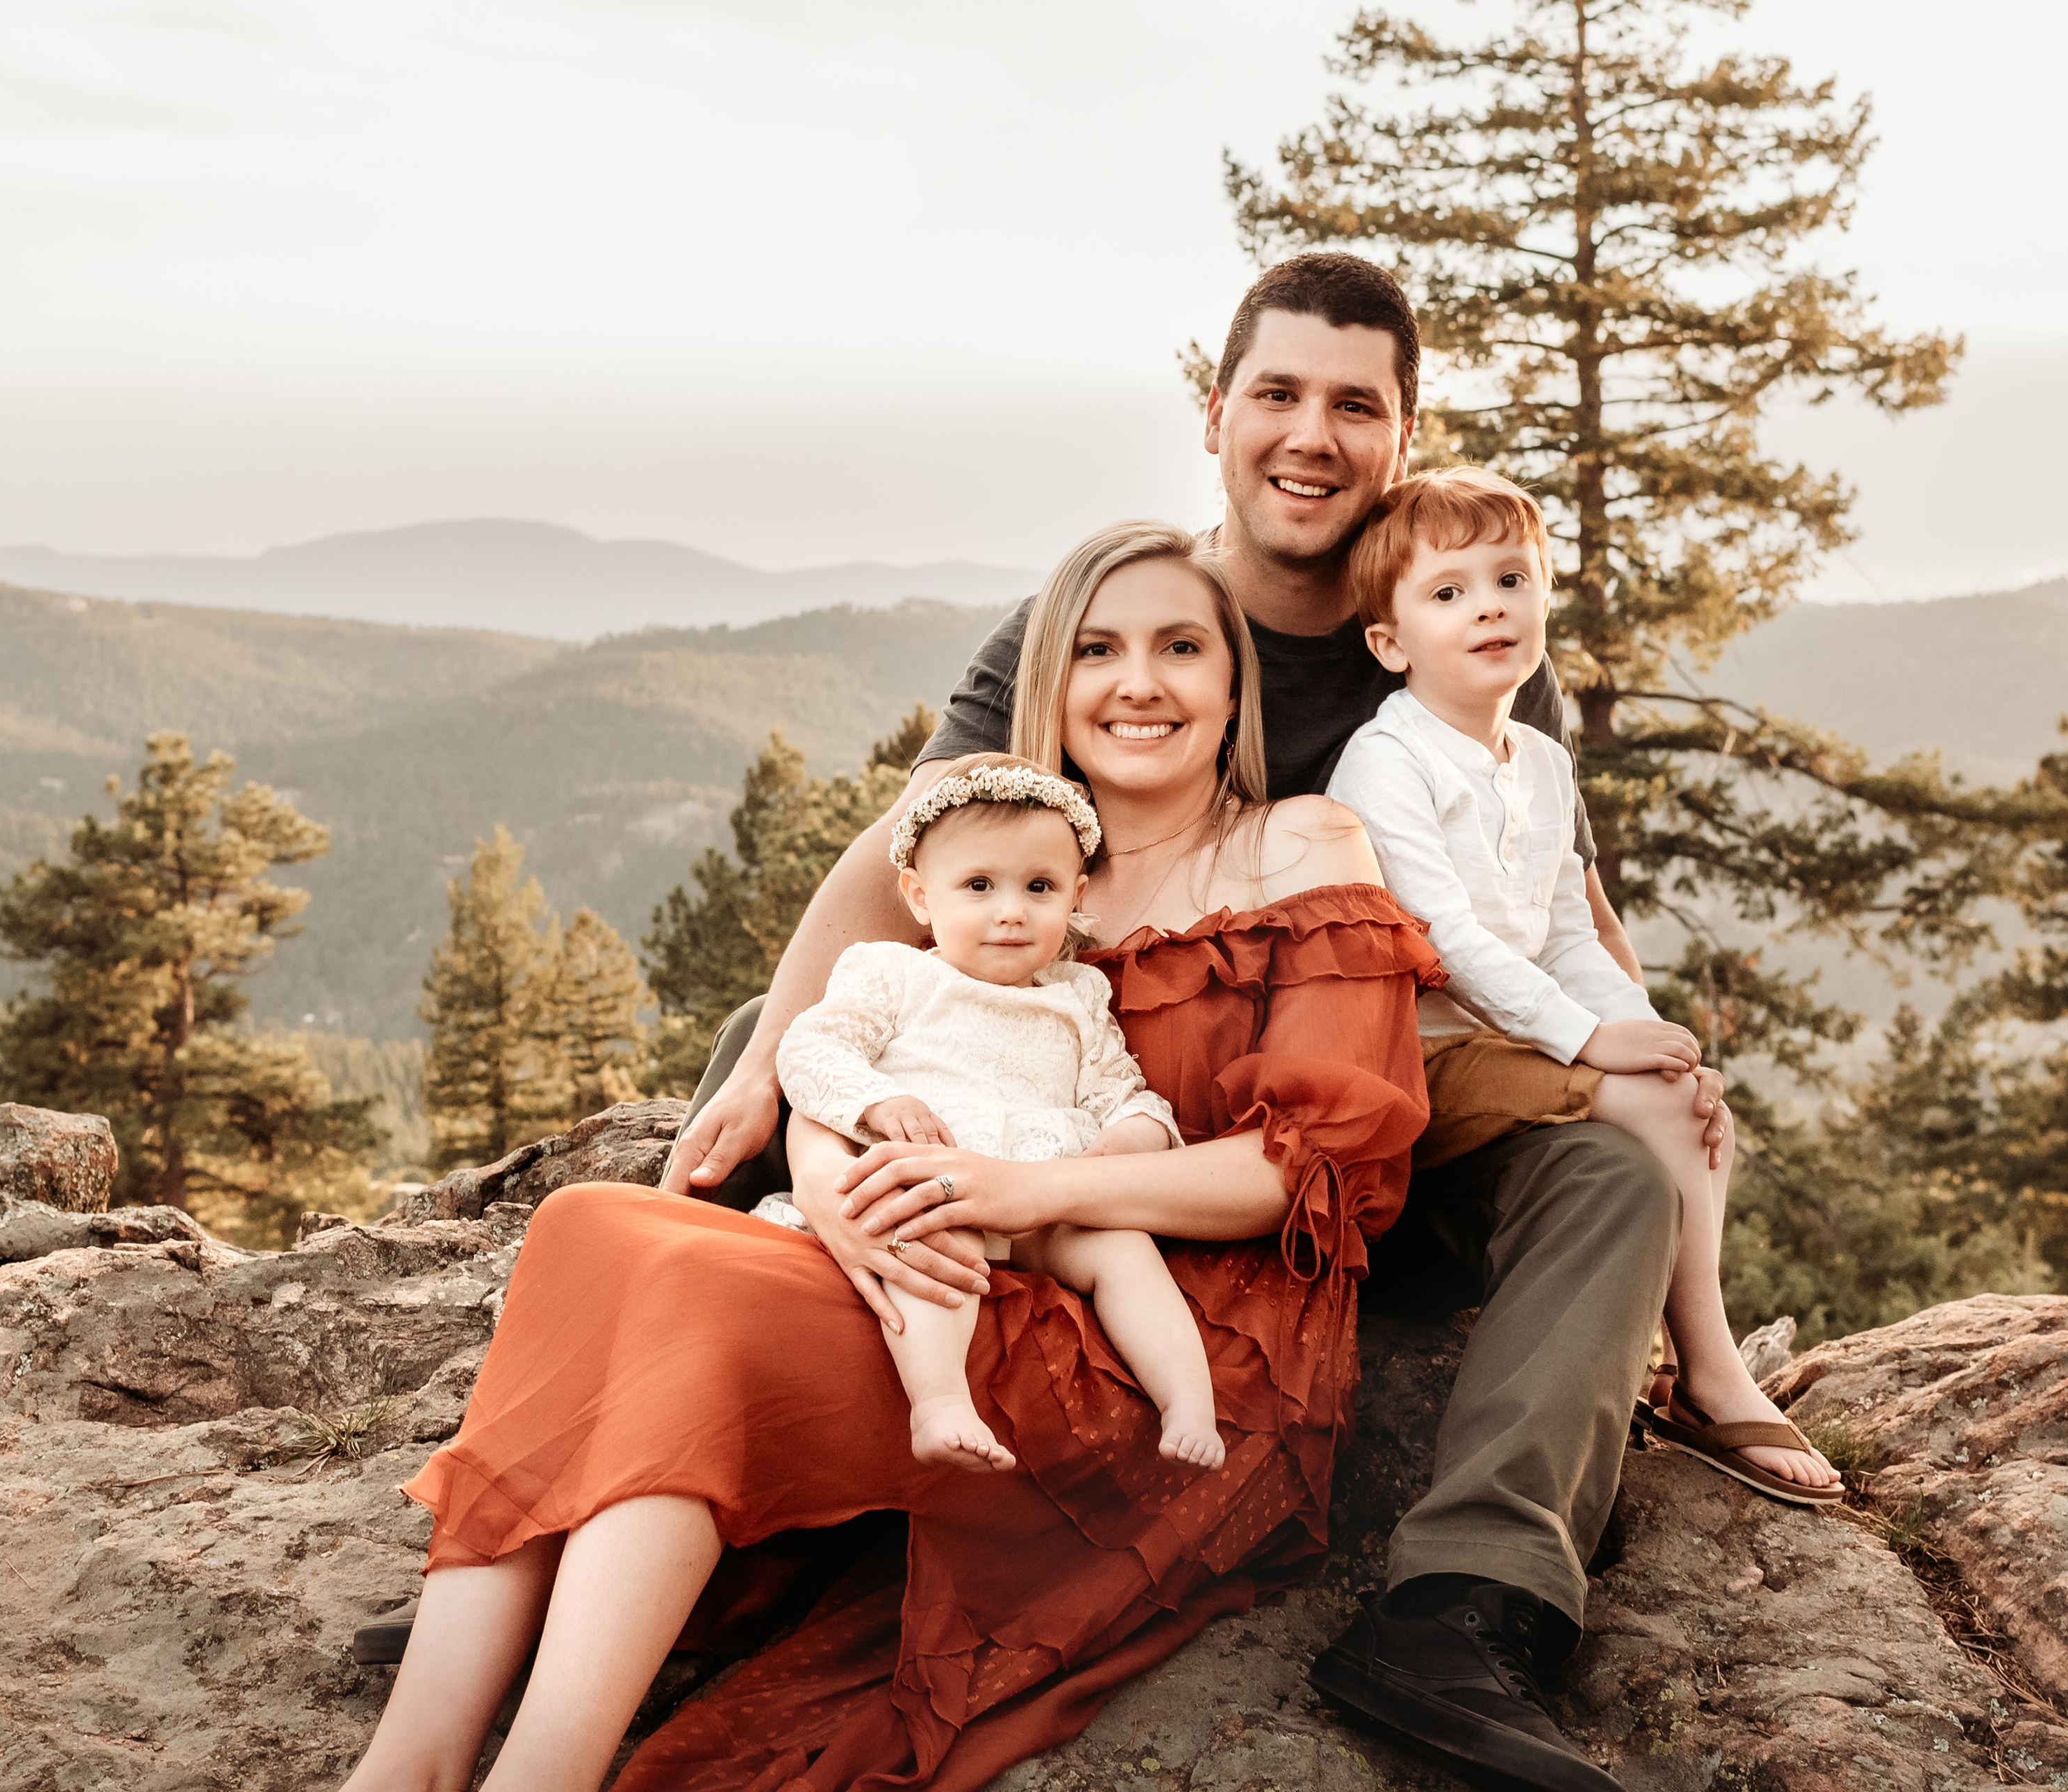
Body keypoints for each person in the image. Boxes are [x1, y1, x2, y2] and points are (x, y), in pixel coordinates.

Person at [662, 254, 1705, 1790]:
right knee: (791, 1032)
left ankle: (1465, 1604)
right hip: (1082, 1068)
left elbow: (1563, 894)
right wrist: (764, 1066)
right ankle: (663, 1516)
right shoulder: (1114, 615)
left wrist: (1651, 1052)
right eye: (1279, 393)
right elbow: (903, 858)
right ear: (1217, 414)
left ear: (1402, 436)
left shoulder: (1443, 623)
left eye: (1356, 406)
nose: (1312, 434)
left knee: (1610, 1173)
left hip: (1337, 1096)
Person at [337, 519, 1437, 1792]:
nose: (1138, 683)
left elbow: (1306, 1173)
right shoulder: (1001, 852)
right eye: (1097, 650)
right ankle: (411, 1759)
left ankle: (542, 1775)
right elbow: (855, 1038)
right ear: (1049, 681)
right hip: (943, 1244)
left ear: (1236, 682)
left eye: (1181, 647)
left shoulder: (1300, 843)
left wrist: (1028, 1188)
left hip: (1153, 1323)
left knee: (696, 1309)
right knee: (587, 1223)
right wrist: (826, 1183)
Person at [1323, 468, 1843, 1506]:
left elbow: (1567, 931)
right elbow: (1445, 942)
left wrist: (1642, 1030)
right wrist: (1590, 1042)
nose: (1489, 608)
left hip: (1517, 1046)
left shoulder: (1542, 764)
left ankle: (1681, 1360)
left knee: (1691, 1100)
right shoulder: (1387, 761)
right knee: (1655, 1101)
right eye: (1449, 593)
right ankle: (1709, 1371)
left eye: (1511, 579)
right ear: (1389, 642)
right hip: (1415, 1056)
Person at [769, 750, 1221, 1475]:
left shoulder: (1079, 996)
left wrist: (1135, 1130)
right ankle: (940, 1401)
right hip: (939, 1185)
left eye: (1040, 887)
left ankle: (1189, 1401)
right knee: (931, 1248)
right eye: (978, 886)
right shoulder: (893, 973)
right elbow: (812, 1048)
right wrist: (881, 1099)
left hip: (1046, 1197)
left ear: (1075, 896)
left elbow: (1118, 1086)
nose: (1011, 910)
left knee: (1125, 1251)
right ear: (921, 897)